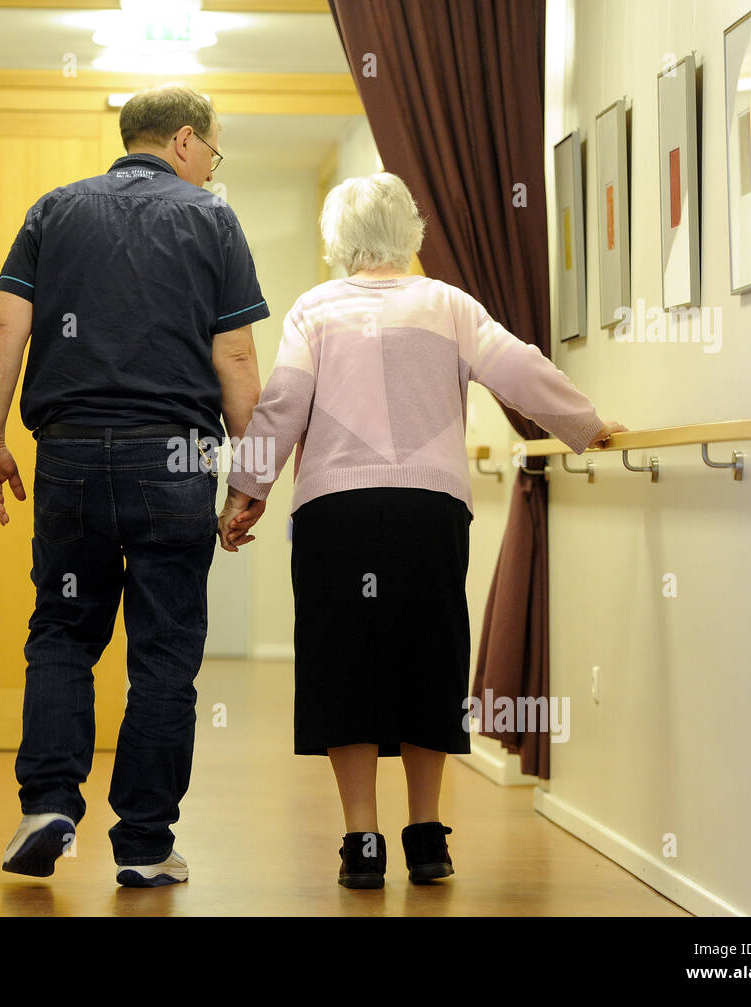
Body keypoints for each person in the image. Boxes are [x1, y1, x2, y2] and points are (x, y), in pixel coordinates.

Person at [219, 172, 625, 888]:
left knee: (341, 662)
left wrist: (247, 488)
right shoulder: (449, 305)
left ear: (338, 238)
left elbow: (281, 405)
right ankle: (427, 837)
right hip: (429, 509)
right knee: (428, 657)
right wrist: (586, 426)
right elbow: (520, 369)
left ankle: (361, 841)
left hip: (334, 513)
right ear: (410, 231)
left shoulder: (316, 310)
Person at [0, 83, 268, 887]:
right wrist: (254, 473)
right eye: (212, 149)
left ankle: (48, 803)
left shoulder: (54, 210)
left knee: (64, 631)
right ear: (183, 139)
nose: (211, 165)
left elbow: (7, 324)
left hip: (69, 457)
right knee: (165, 655)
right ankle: (142, 843)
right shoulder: (212, 220)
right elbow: (236, 360)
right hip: (172, 461)